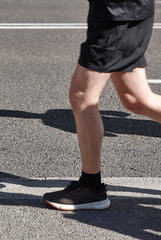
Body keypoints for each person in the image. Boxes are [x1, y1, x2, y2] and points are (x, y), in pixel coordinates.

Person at [43, 0, 161, 210]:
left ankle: (91, 187)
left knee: (82, 95)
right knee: (136, 99)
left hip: (118, 13)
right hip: (119, 13)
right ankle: (91, 188)